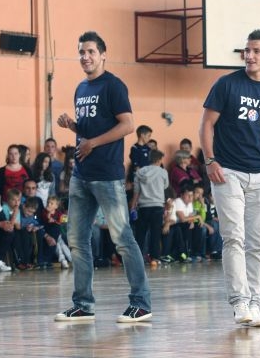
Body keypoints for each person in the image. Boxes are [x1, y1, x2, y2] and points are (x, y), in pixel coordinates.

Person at [199, 28, 260, 328]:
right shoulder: (226, 84)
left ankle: (255, 302)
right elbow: (206, 125)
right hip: (227, 172)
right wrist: (210, 160)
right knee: (234, 237)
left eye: (256, 51)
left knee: (257, 242)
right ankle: (239, 301)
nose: (249, 56)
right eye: (247, 50)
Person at [54, 31, 151, 323]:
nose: (85, 57)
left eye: (91, 52)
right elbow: (90, 129)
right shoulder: (81, 88)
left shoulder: (113, 86)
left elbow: (128, 125)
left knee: (123, 238)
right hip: (81, 175)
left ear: (103, 55)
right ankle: (83, 304)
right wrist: (73, 126)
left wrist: (93, 143)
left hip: (107, 176)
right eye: (81, 52)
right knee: (77, 240)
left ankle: (141, 303)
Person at [130, 149, 168, 266]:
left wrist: (133, 207)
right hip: (157, 206)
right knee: (155, 233)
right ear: (159, 160)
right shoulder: (163, 172)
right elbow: (165, 186)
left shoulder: (140, 172)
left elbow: (136, 191)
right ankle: (154, 258)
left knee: (140, 233)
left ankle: (137, 257)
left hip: (143, 206)